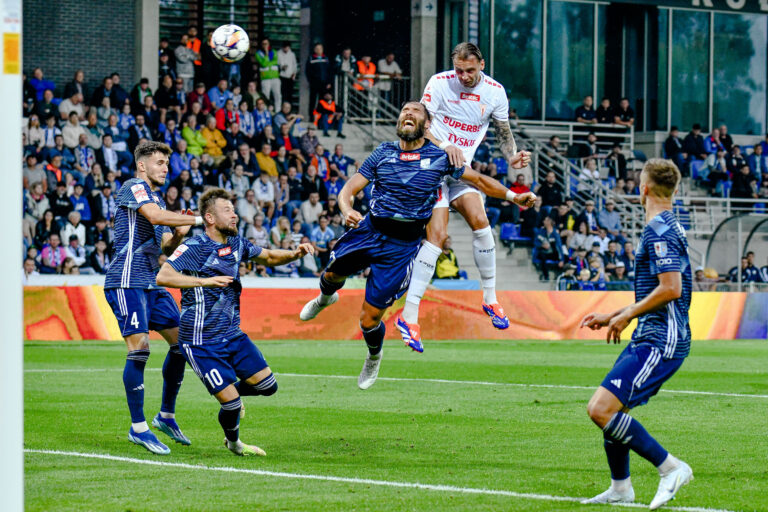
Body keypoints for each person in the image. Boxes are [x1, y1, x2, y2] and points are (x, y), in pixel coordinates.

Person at [298, 101, 535, 381]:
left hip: (401, 247)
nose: (407, 113)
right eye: (404, 110)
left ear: (427, 126)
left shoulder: (440, 158)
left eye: (415, 111)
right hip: (369, 231)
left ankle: (374, 356)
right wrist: (347, 209)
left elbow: (480, 181)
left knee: (368, 319)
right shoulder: (382, 153)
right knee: (331, 274)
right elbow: (348, 189)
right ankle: (325, 299)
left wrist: (513, 197)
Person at [155, 187, 313, 455]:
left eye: (234, 210)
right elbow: (163, 276)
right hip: (200, 340)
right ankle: (234, 443)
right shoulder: (195, 247)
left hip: (232, 334)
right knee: (230, 404)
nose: (235, 215)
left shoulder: (237, 244)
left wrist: (295, 254)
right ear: (210, 218)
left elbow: (270, 256)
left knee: (267, 386)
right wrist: (204, 281)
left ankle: (231, 396)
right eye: (227, 210)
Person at [399, 43, 532, 349]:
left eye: (470, 70)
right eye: (459, 69)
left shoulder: (496, 92)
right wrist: (445, 144)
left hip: (460, 170)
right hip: (432, 166)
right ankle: (410, 315)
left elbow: (502, 132)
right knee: (438, 236)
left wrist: (511, 157)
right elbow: (421, 124)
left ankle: (490, 299)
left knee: (481, 221)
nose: (464, 76)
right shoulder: (439, 83)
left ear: (481, 65)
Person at [580, 158, 693, 509]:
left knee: (600, 410)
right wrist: (615, 314)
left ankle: (671, 467)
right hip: (649, 332)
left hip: (662, 339)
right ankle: (621, 488)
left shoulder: (658, 230)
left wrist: (627, 313)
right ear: (674, 191)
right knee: (614, 410)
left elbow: (671, 288)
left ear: (642, 189)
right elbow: (660, 290)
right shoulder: (669, 225)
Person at [103, 141, 204, 455]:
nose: (165, 168)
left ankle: (166, 415)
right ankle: (138, 428)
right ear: (142, 165)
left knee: (182, 344)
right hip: (126, 280)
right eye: (160, 162)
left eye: (166, 163)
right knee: (140, 349)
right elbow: (157, 217)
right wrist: (199, 220)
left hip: (151, 282)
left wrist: (180, 235)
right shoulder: (133, 187)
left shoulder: (156, 198)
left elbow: (166, 247)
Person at [305, 43, 332, 117]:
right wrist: (311, 81)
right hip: (314, 83)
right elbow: (308, 71)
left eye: (320, 48)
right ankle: (311, 116)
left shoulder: (326, 58)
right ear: (314, 50)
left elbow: (329, 71)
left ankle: (320, 116)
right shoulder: (311, 58)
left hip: (324, 83)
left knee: (322, 100)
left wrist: (329, 82)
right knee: (312, 100)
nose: (318, 50)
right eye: (317, 49)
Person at [256, 38, 281, 108]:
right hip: (265, 78)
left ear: (269, 44)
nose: (265, 45)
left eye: (266, 44)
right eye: (263, 44)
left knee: (277, 95)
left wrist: (267, 62)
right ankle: (266, 111)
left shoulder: (274, 52)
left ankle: (277, 111)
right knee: (265, 96)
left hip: (275, 77)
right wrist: (266, 55)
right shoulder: (258, 54)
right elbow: (263, 64)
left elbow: (275, 62)